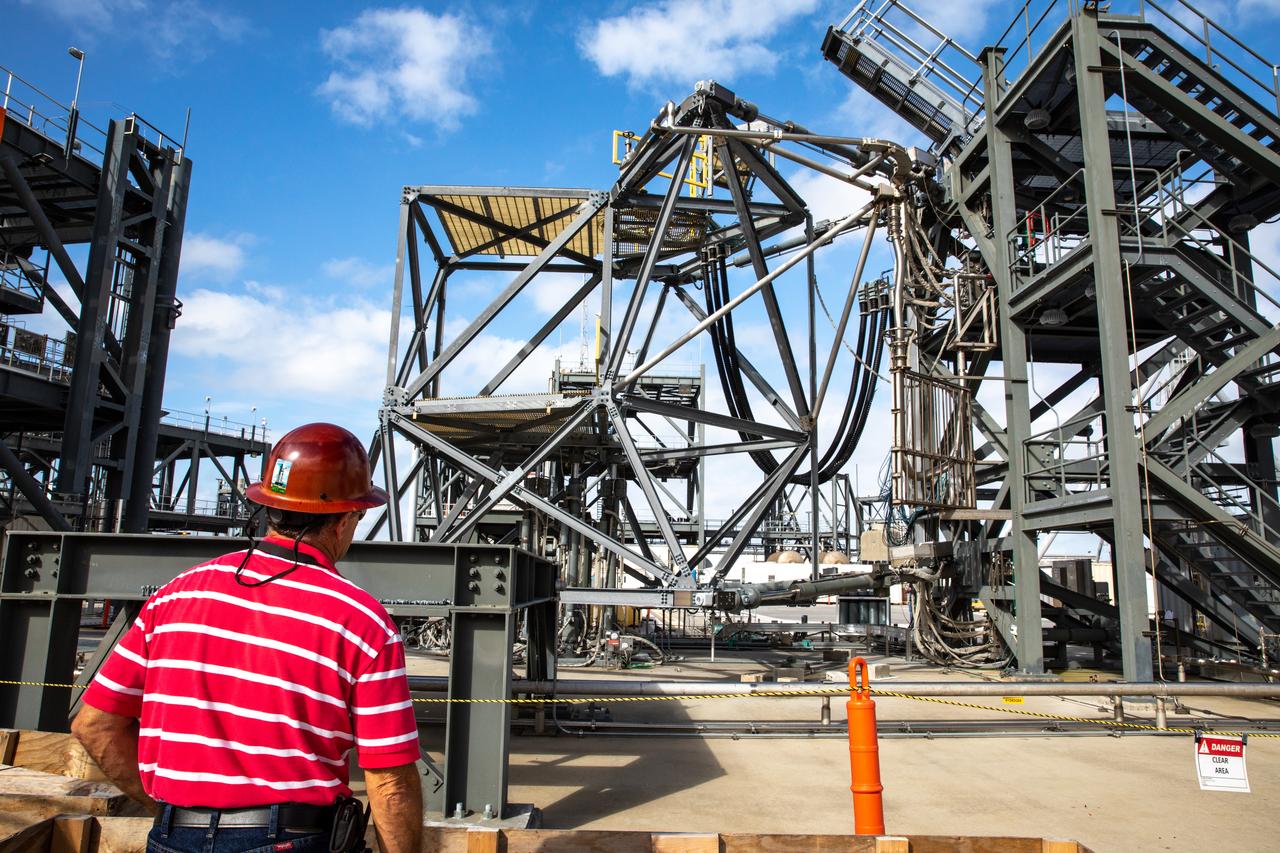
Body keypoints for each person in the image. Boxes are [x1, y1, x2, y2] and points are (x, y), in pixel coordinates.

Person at [72, 423, 423, 853]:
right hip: (291, 839)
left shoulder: (177, 594)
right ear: (348, 518)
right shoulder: (360, 620)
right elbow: (390, 781)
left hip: (173, 835)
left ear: (270, 507)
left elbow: (93, 724)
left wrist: (173, 811)